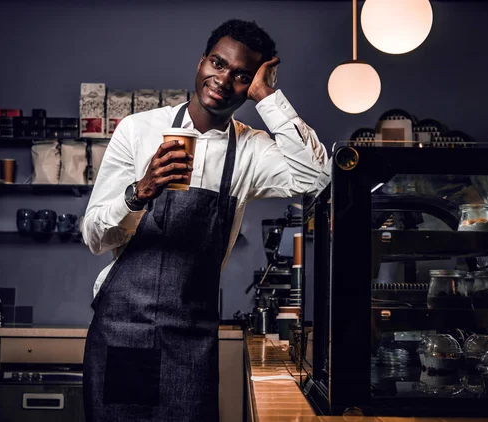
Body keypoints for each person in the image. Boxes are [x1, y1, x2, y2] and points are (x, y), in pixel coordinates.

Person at [81, 18, 328, 422]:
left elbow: (319, 179)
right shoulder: (138, 131)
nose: (223, 79)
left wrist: (269, 96)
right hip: (123, 333)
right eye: (217, 63)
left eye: (241, 75)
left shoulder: (251, 149)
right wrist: (139, 192)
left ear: (250, 85)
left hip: (191, 341)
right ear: (201, 62)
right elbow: (94, 237)